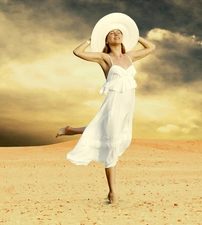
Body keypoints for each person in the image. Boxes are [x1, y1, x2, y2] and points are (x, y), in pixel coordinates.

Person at [56, 13, 155, 204]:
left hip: (127, 105)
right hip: (114, 102)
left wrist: (134, 35)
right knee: (112, 143)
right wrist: (90, 39)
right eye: (112, 33)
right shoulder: (104, 57)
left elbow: (151, 47)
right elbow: (78, 52)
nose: (116, 34)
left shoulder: (130, 56)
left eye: (119, 32)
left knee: (112, 135)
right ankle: (113, 192)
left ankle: (70, 130)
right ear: (106, 39)